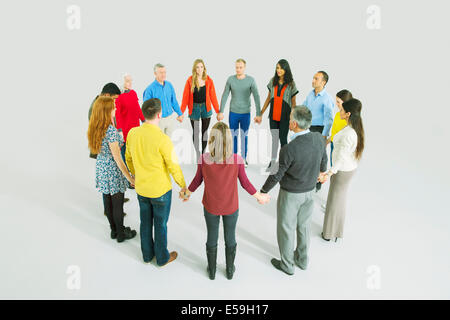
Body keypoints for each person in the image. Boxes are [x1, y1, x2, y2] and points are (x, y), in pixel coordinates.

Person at [181, 122, 270, 280]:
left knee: (211, 237)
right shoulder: (237, 160)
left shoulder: (204, 159)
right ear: (229, 140)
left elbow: (196, 181)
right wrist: (260, 197)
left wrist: (186, 194)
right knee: (230, 238)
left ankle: (212, 270)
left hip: (210, 207)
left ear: (211, 140)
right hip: (231, 208)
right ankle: (229, 270)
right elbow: (246, 183)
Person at [260, 106, 327, 275]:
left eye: (290, 119)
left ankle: (287, 265)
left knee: (286, 228)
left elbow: (276, 175)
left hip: (291, 195)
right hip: (310, 192)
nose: (288, 121)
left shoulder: (289, 149)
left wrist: (263, 191)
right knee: (304, 227)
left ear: (294, 124)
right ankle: (303, 260)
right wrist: (319, 179)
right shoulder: (319, 139)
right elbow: (323, 162)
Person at [125, 98, 186, 266]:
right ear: (159, 115)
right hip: (160, 191)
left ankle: (146, 256)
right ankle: (162, 258)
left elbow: (128, 158)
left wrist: (135, 174)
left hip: (141, 188)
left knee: (145, 223)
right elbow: (173, 166)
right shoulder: (163, 139)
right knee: (161, 225)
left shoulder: (132, 133)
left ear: (143, 114)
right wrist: (183, 185)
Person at [87, 96, 137, 243]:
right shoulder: (110, 131)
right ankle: (121, 233)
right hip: (112, 169)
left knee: (107, 200)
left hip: (102, 166)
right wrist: (130, 178)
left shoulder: (94, 126)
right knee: (117, 203)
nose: (116, 109)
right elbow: (117, 158)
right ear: (107, 111)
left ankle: (113, 230)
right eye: (113, 108)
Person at [320, 98, 365, 242]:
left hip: (342, 172)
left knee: (333, 201)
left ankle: (328, 234)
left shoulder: (348, 134)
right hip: (349, 169)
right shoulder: (354, 129)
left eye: (342, 110)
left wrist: (329, 173)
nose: (339, 111)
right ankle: (336, 232)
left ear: (348, 114)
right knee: (340, 201)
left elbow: (340, 158)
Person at [217, 59, 261, 167]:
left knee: (244, 136)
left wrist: (259, 113)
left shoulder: (251, 80)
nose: (238, 69)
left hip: (245, 113)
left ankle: (244, 159)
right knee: (233, 136)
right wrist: (221, 111)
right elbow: (225, 95)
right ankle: (234, 158)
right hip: (233, 112)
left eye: (240, 67)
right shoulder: (230, 79)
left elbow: (256, 96)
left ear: (244, 68)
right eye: (237, 67)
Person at [259, 59, 298, 171]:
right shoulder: (272, 81)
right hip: (273, 116)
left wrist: (293, 118)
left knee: (283, 139)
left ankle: (285, 163)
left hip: (285, 117)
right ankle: (272, 162)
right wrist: (261, 112)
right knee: (274, 139)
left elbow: (294, 103)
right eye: (277, 68)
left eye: (281, 68)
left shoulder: (291, 84)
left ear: (286, 69)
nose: (279, 70)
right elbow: (268, 98)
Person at [180, 59, 220, 161]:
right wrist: (181, 112)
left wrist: (218, 111)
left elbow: (213, 97)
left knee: (205, 132)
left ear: (204, 68)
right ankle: (198, 154)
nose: (200, 69)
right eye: (197, 67)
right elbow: (185, 98)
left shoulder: (209, 80)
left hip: (206, 108)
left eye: (201, 67)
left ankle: (203, 154)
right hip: (194, 109)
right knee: (196, 132)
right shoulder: (190, 81)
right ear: (195, 69)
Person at [302, 71, 334, 191]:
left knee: (318, 157)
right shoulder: (310, 94)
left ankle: (317, 184)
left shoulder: (327, 99)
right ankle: (307, 180)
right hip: (308, 127)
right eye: (313, 78)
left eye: (316, 79)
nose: (313, 80)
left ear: (323, 82)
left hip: (319, 130)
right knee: (307, 155)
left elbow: (329, 120)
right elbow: (304, 107)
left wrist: (324, 136)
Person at [142, 64, 183, 139]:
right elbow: (146, 107)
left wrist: (180, 114)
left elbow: (173, 101)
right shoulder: (150, 89)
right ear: (155, 73)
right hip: (158, 120)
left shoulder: (169, 85)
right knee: (159, 142)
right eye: (161, 72)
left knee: (168, 142)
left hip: (170, 118)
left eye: (164, 72)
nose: (163, 74)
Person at [115, 74, 145, 164]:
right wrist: (119, 130)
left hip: (135, 128)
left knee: (135, 152)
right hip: (125, 130)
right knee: (125, 153)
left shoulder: (133, 93)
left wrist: (144, 120)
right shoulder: (119, 97)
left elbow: (137, 108)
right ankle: (127, 175)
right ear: (122, 82)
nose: (130, 83)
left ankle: (134, 172)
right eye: (127, 81)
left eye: (131, 81)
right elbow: (118, 114)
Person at [88, 83, 122, 159]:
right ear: (107, 95)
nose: (115, 102)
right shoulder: (96, 108)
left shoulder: (100, 104)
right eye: (114, 98)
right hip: (106, 150)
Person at [328, 90, 353, 167]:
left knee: (338, 168)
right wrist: (327, 141)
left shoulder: (349, 119)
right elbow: (334, 132)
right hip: (333, 145)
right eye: (336, 101)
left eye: (338, 102)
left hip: (340, 148)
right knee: (333, 168)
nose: (336, 104)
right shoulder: (337, 115)